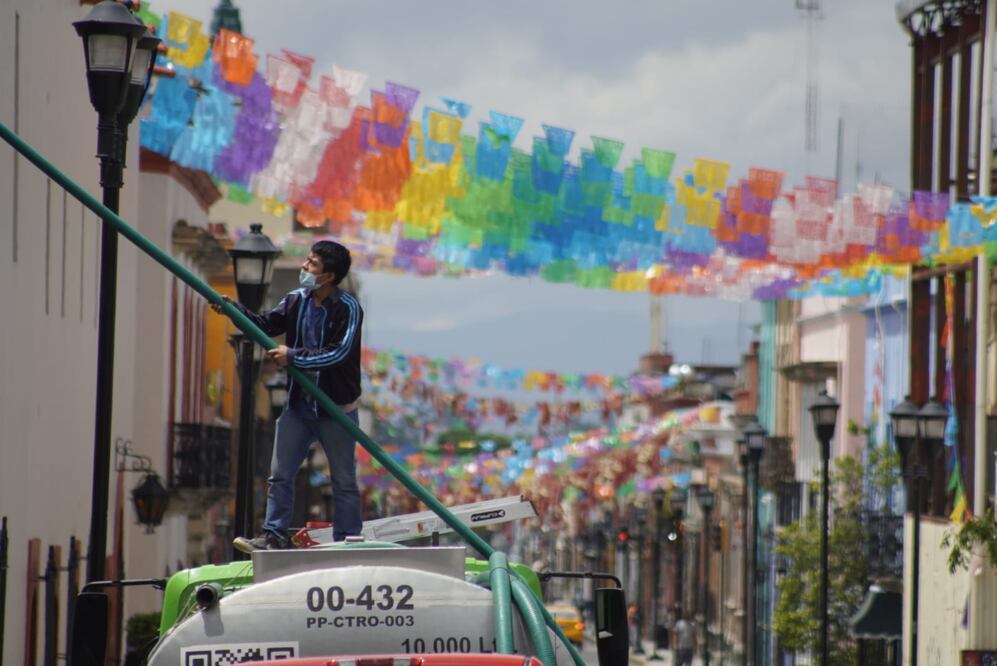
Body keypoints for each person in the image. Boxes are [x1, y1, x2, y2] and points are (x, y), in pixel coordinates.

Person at [213, 240, 364, 551]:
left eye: (312, 265)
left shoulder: (348, 309)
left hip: (335, 408)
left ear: (329, 276)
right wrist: (233, 310)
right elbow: (267, 324)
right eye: (306, 262)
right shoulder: (296, 300)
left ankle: (348, 539)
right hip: (299, 405)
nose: (304, 268)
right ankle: (274, 534)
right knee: (280, 475)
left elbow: (338, 353)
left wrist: (293, 356)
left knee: (344, 481)